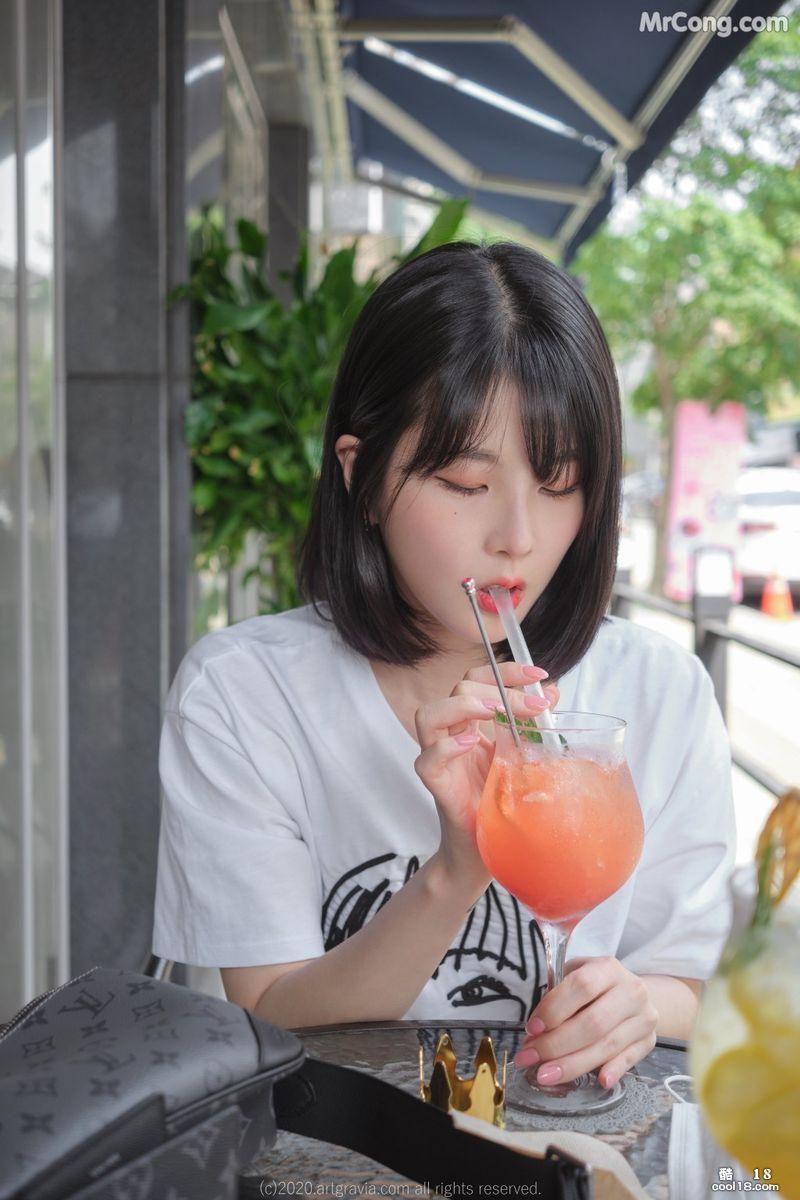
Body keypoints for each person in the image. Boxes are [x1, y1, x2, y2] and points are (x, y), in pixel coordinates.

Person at [153, 241, 736, 1092]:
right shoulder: (243, 697)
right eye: (466, 482)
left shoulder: (659, 691)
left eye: (560, 482)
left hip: (578, 1147)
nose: (518, 538)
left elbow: (695, 983)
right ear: (363, 477)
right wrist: (458, 871)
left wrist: (639, 1005)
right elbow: (273, 1013)